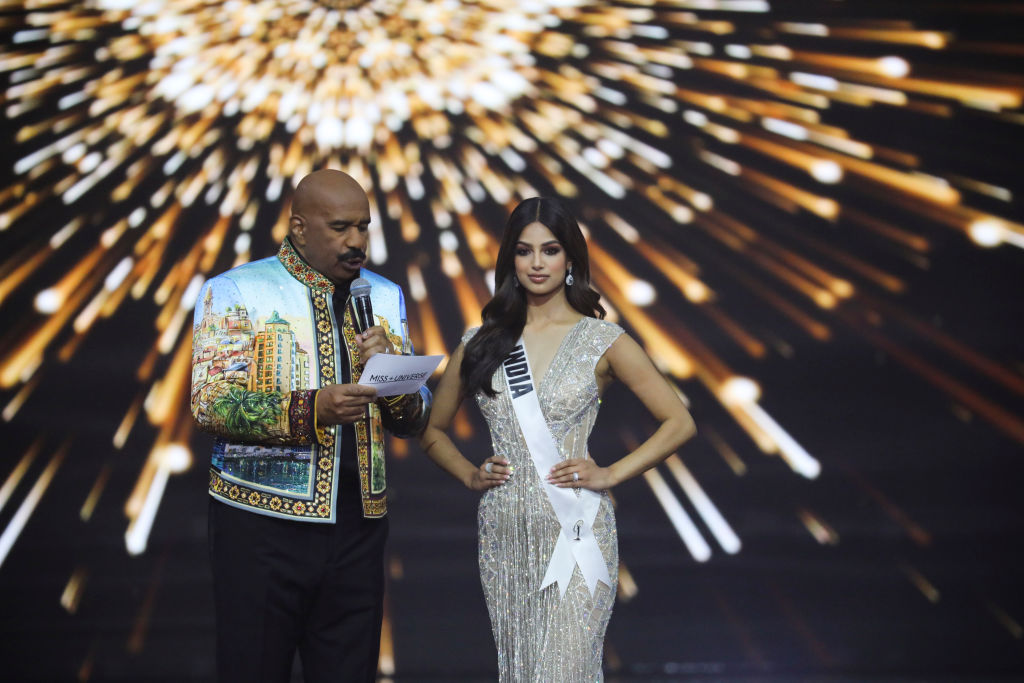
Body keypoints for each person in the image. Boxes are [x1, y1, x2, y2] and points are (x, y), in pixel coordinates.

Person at [418, 197, 695, 681]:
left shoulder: (600, 339)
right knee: (521, 671)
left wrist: (610, 473)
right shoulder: (481, 342)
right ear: (510, 260)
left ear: (570, 259)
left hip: (576, 531)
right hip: (504, 535)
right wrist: (468, 473)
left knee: (564, 671)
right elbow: (433, 431)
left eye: (550, 250)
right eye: (524, 252)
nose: (537, 263)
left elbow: (678, 422)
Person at [190, 169, 431, 683]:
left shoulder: (384, 296)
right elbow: (209, 403)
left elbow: (412, 421)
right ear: (299, 228)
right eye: (341, 227)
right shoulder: (237, 289)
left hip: (358, 526)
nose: (357, 242)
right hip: (258, 525)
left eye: (363, 227)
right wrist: (311, 408)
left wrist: (397, 377)